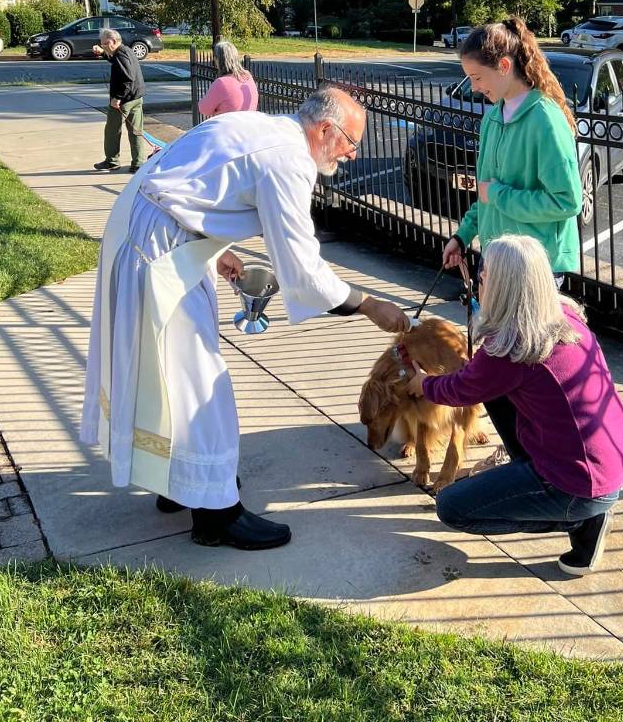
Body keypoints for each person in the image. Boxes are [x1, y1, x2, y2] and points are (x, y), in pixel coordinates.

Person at [81, 86, 411, 552]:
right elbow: (301, 268)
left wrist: (219, 251)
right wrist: (369, 304)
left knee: (161, 376)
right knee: (197, 384)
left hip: (153, 232)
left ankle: (177, 482)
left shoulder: (263, 126)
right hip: (159, 252)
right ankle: (217, 515)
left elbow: (191, 185)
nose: (351, 155)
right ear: (323, 129)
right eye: (349, 143)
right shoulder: (290, 160)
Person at [407, 235, 623, 576]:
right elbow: (479, 382)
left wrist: (422, 384)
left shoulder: (511, 347)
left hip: (580, 484)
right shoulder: (566, 318)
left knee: (451, 507)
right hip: (609, 464)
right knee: (495, 394)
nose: (477, 285)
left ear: (500, 288)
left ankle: (583, 523)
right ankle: (577, 506)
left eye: (482, 280)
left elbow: (460, 388)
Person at [441, 17, 583, 473]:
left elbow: (567, 200)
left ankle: (541, 461)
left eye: (478, 77)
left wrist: (495, 195)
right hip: (497, 265)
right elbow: (485, 193)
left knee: (530, 375)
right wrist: (464, 235)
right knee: (502, 372)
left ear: (505, 66)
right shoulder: (493, 118)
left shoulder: (544, 117)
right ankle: (524, 457)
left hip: (537, 269)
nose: (474, 86)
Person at [92, 29, 145, 174]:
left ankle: (112, 161)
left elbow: (128, 78)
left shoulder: (120, 55)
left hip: (125, 101)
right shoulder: (125, 51)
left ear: (114, 41)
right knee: (135, 131)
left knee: (112, 131)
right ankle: (138, 163)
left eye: (105, 44)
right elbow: (116, 61)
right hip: (136, 97)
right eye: (101, 45)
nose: (103, 46)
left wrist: (118, 98)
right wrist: (103, 53)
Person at [199, 41, 258, 118]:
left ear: (218, 60)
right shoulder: (247, 76)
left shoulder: (221, 83)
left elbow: (204, 109)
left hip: (227, 126)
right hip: (248, 123)